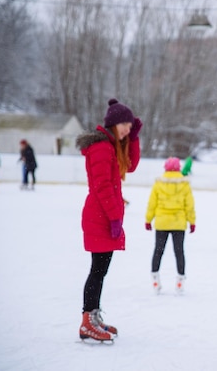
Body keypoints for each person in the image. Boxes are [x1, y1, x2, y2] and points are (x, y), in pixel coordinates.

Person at [75, 98, 142, 342]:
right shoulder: (102, 148)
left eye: (130, 125)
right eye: (124, 124)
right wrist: (114, 218)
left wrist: (133, 139)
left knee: (100, 271)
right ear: (113, 123)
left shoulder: (112, 147)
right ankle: (87, 322)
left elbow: (131, 165)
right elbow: (102, 186)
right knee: (97, 271)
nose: (127, 128)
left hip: (104, 215)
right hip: (100, 216)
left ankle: (93, 317)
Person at [145, 157, 196, 295]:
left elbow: (152, 203)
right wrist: (192, 222)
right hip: (178, 223)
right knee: (179, 252)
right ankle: (180, 281)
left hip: (162, 222)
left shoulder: (159, 183)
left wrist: (148, 220)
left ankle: (155, 279)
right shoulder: (184, 183)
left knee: (158, 251)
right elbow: (189, 205)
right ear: (179, 168)